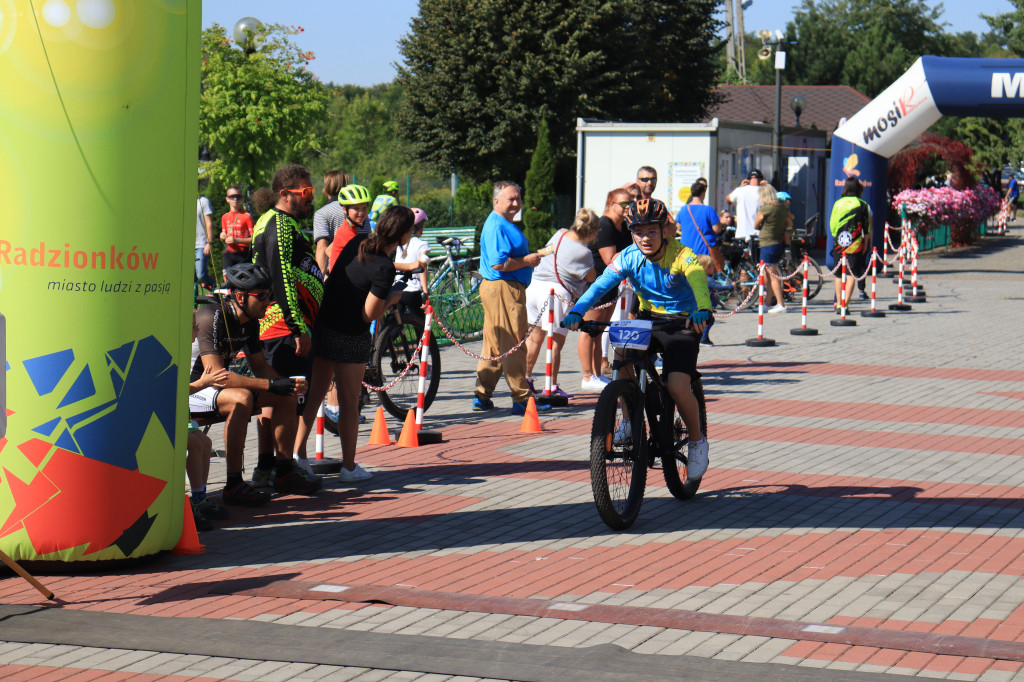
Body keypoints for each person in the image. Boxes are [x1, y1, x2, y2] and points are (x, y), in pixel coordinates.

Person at [562, 198, 713, 483]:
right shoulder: (628, 257)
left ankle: (697, 442)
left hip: (683, 322)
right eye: (638, 231)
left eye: (652, 231)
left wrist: (703, 309)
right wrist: (578, 310)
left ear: (663, 230)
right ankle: (630, 418)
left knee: (678, 386)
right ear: (631, 232)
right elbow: (601, 285)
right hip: (648, 318)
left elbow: (697, 280)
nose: (645, 237)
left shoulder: (683, 255)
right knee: (622, 360)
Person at [296, 206, 415, 482]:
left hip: (324, 325)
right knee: (349, 402)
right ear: (404, 235)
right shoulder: (384, 267)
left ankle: (298, 456)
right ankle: (349, 467)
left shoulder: (356, 243)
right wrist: (393, 298)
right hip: (349, 334)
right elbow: (370, 314)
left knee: (315, 395)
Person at [190, 263, 316, 505]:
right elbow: (217, 375)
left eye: (270, 295)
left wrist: (284, 384)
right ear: (240, 296)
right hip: (191, 388)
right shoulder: (211, 316)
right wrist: (270, 386)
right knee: (242, 398)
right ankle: (234, 484)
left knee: (286, 394)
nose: (268, 302)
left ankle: (284, 470)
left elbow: (259, 366)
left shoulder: (250, 322)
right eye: (262, 296)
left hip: (214, 389)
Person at [250, 164, 325, 481]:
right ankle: (284, 469)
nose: (311, 198)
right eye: (306, 192)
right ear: (285, 194)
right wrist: (298, 328)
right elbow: (279, 277)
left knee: (276, 396)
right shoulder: (278, 224)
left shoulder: (274, 221)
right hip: (284, 326)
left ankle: (267, 467)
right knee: (289, 397)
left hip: (279, 325)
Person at [474, 181, 551, 415]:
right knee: (514, 342)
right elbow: (500, 263)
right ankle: (521, 398)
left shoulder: (501, 223)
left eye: (518, 198)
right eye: (511, 199)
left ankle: (482, 395)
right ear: (496, 201)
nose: (516, 203)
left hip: (500, 288)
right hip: (503, 288)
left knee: (495, 344)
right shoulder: (497, 225)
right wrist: (527, 261)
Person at [524, 208, 599, 398]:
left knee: (534, 339)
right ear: (591, 232)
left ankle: (526, 379)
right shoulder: (584, 252)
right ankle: (552, 385)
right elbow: (591, 277)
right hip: (555, 294)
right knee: (555, 342)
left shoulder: (560, 233)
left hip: (534, 287)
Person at [577, 188, 633, 391]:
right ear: (611, 204)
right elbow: (610, 259)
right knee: (589, 330)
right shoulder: (605, 225)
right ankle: (587, 375)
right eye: (624, 203)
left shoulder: (624, 226)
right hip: (596, 284)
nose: (629, 207)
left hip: (611, 285)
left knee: (599, 331)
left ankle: (597, 374)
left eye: (631, 203)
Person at [187, 309, 231, 530]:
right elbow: (174, 388)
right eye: (194, 327)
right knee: (195, 444)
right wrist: (203, 383)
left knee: (205, 443)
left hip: (180, 412)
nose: (197, 331)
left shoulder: (183, 350)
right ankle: (193, 500)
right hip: (166, 413)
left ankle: (200, 497)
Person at [829, 177, 872, 311]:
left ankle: (838, 302)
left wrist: (836, 236)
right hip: (855, 243)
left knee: (838, 274)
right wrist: (866, 243)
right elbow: (867, 227)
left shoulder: (838, 203)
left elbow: (832, 225)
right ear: (859, 189)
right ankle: (845, 303)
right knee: (851, 274)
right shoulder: (862, 204)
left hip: (839, 243)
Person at [753, 183, 790, 313]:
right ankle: (767, 303)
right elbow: (788, 223)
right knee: (769, 275)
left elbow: (756, 225)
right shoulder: (782, 208)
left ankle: (781, 304)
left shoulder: (765, 209)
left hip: (767, 243)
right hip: (778, 242)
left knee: (772, 275)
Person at [677, 180, 724, 272]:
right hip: (703, 250)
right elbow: (717, 229)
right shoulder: (708, 210)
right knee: (704, 278)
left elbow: (678, 227)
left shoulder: (683, 209)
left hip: (686, 251)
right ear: (703, 193)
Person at [393, 207, 432, 314]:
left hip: (397, 288)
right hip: (413, 289)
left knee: (394, 323)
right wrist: (425, 292)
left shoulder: (399, 242)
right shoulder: (422, 244)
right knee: (419, 323)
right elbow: (422, 268)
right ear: (420, 227)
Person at [312, 170, 351, 275]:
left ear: (325, 192)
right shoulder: (359, 212)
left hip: (334, 273)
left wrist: (319, 278)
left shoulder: (322, 213)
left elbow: (322, 247)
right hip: (359, 272)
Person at [328, 184, 374, 272]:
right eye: (356, 208)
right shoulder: (346, 233)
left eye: (364, 208)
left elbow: (328, 250)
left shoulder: (348, 228)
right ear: (345, 209)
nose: (361, 213)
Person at [220, 185, 254, 280]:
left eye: (238, 196)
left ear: (241, 199)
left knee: (241, 281)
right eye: (232, 196)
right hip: (228, 253)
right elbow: (224, 238)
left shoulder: (247, 216)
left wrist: (237, 240)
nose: (235, 199)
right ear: (227, 199)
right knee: (227, 279)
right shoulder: (224, 217)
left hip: (243, 254)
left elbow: (254, 239)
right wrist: (222, 237)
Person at [727, 169, 763, 248]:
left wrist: (740, 187)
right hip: (757, 235)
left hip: (741, 234)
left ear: (748, 180)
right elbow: (778, 198)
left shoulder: (739, 190)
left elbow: (728, 199)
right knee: (756, 259)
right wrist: (768, 186)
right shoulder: (764, 191)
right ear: (761, 180)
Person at [195, 195, 215, 288]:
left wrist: (209, 242)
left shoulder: (203, 201)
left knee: (201, 274)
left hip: (201, 244)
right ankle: (194, 300)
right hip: (187, 245)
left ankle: (215, 287)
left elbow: (209, 223)